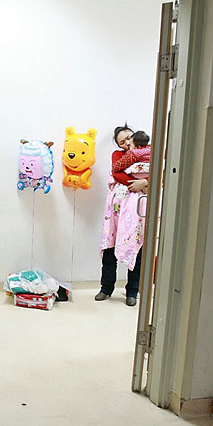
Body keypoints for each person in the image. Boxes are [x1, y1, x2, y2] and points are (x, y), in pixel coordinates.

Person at [96, 124, 148, 307]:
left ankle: (132, 291)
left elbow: (161, 173)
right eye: (122, 142)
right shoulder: (118, 155)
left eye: (129, 138)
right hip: (116, 210)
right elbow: (116, 173)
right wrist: (138, 182)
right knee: (110, 247)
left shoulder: (149, 153)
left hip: (138, 210)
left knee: (137, 247)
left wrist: (144, 182)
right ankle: (106, 288)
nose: (126, 143)